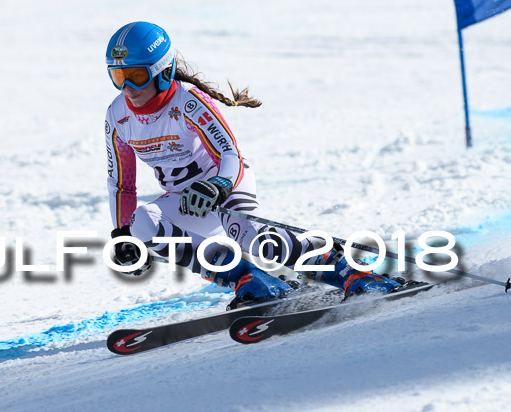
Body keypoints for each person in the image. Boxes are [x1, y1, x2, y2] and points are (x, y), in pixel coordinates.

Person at [104, 21, 406, 307]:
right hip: (186, 201)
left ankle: (350, 272)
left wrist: (217, 186)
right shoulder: (117, 117)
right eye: (119, 77)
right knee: (142, 222)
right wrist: (122, 236)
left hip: (223, 184)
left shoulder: (188, 102)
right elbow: (120, 184)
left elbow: (230, 154)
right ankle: (249, 279)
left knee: (251, 236)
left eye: (137, 75)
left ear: (163, 71)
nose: (128, 86)